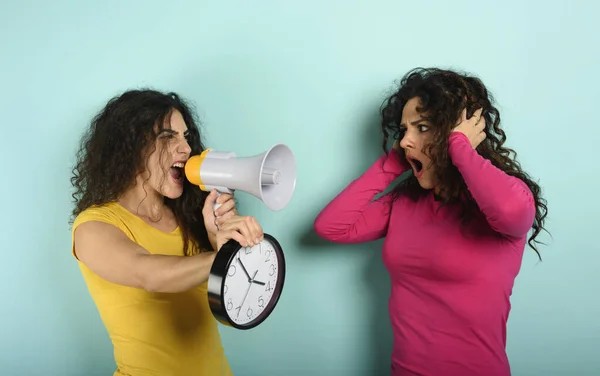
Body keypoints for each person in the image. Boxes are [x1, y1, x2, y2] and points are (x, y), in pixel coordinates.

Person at [313, 67, 549, 376]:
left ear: (456, 131)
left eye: (422, 127)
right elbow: (330, 227)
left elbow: (510, 211)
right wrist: (391, 164)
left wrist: (460, 148)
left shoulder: (508, 200)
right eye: (404, 131)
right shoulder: (404, 202)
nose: (407, 141)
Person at [69, 89, 265, 376]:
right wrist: (222, 257)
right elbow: (149, 275)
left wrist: (218, 243)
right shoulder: (94, 226)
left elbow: (231, 312)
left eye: (186, 137)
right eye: (168, 136)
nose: (186, 149)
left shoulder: (189, 216)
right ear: (131, 145)